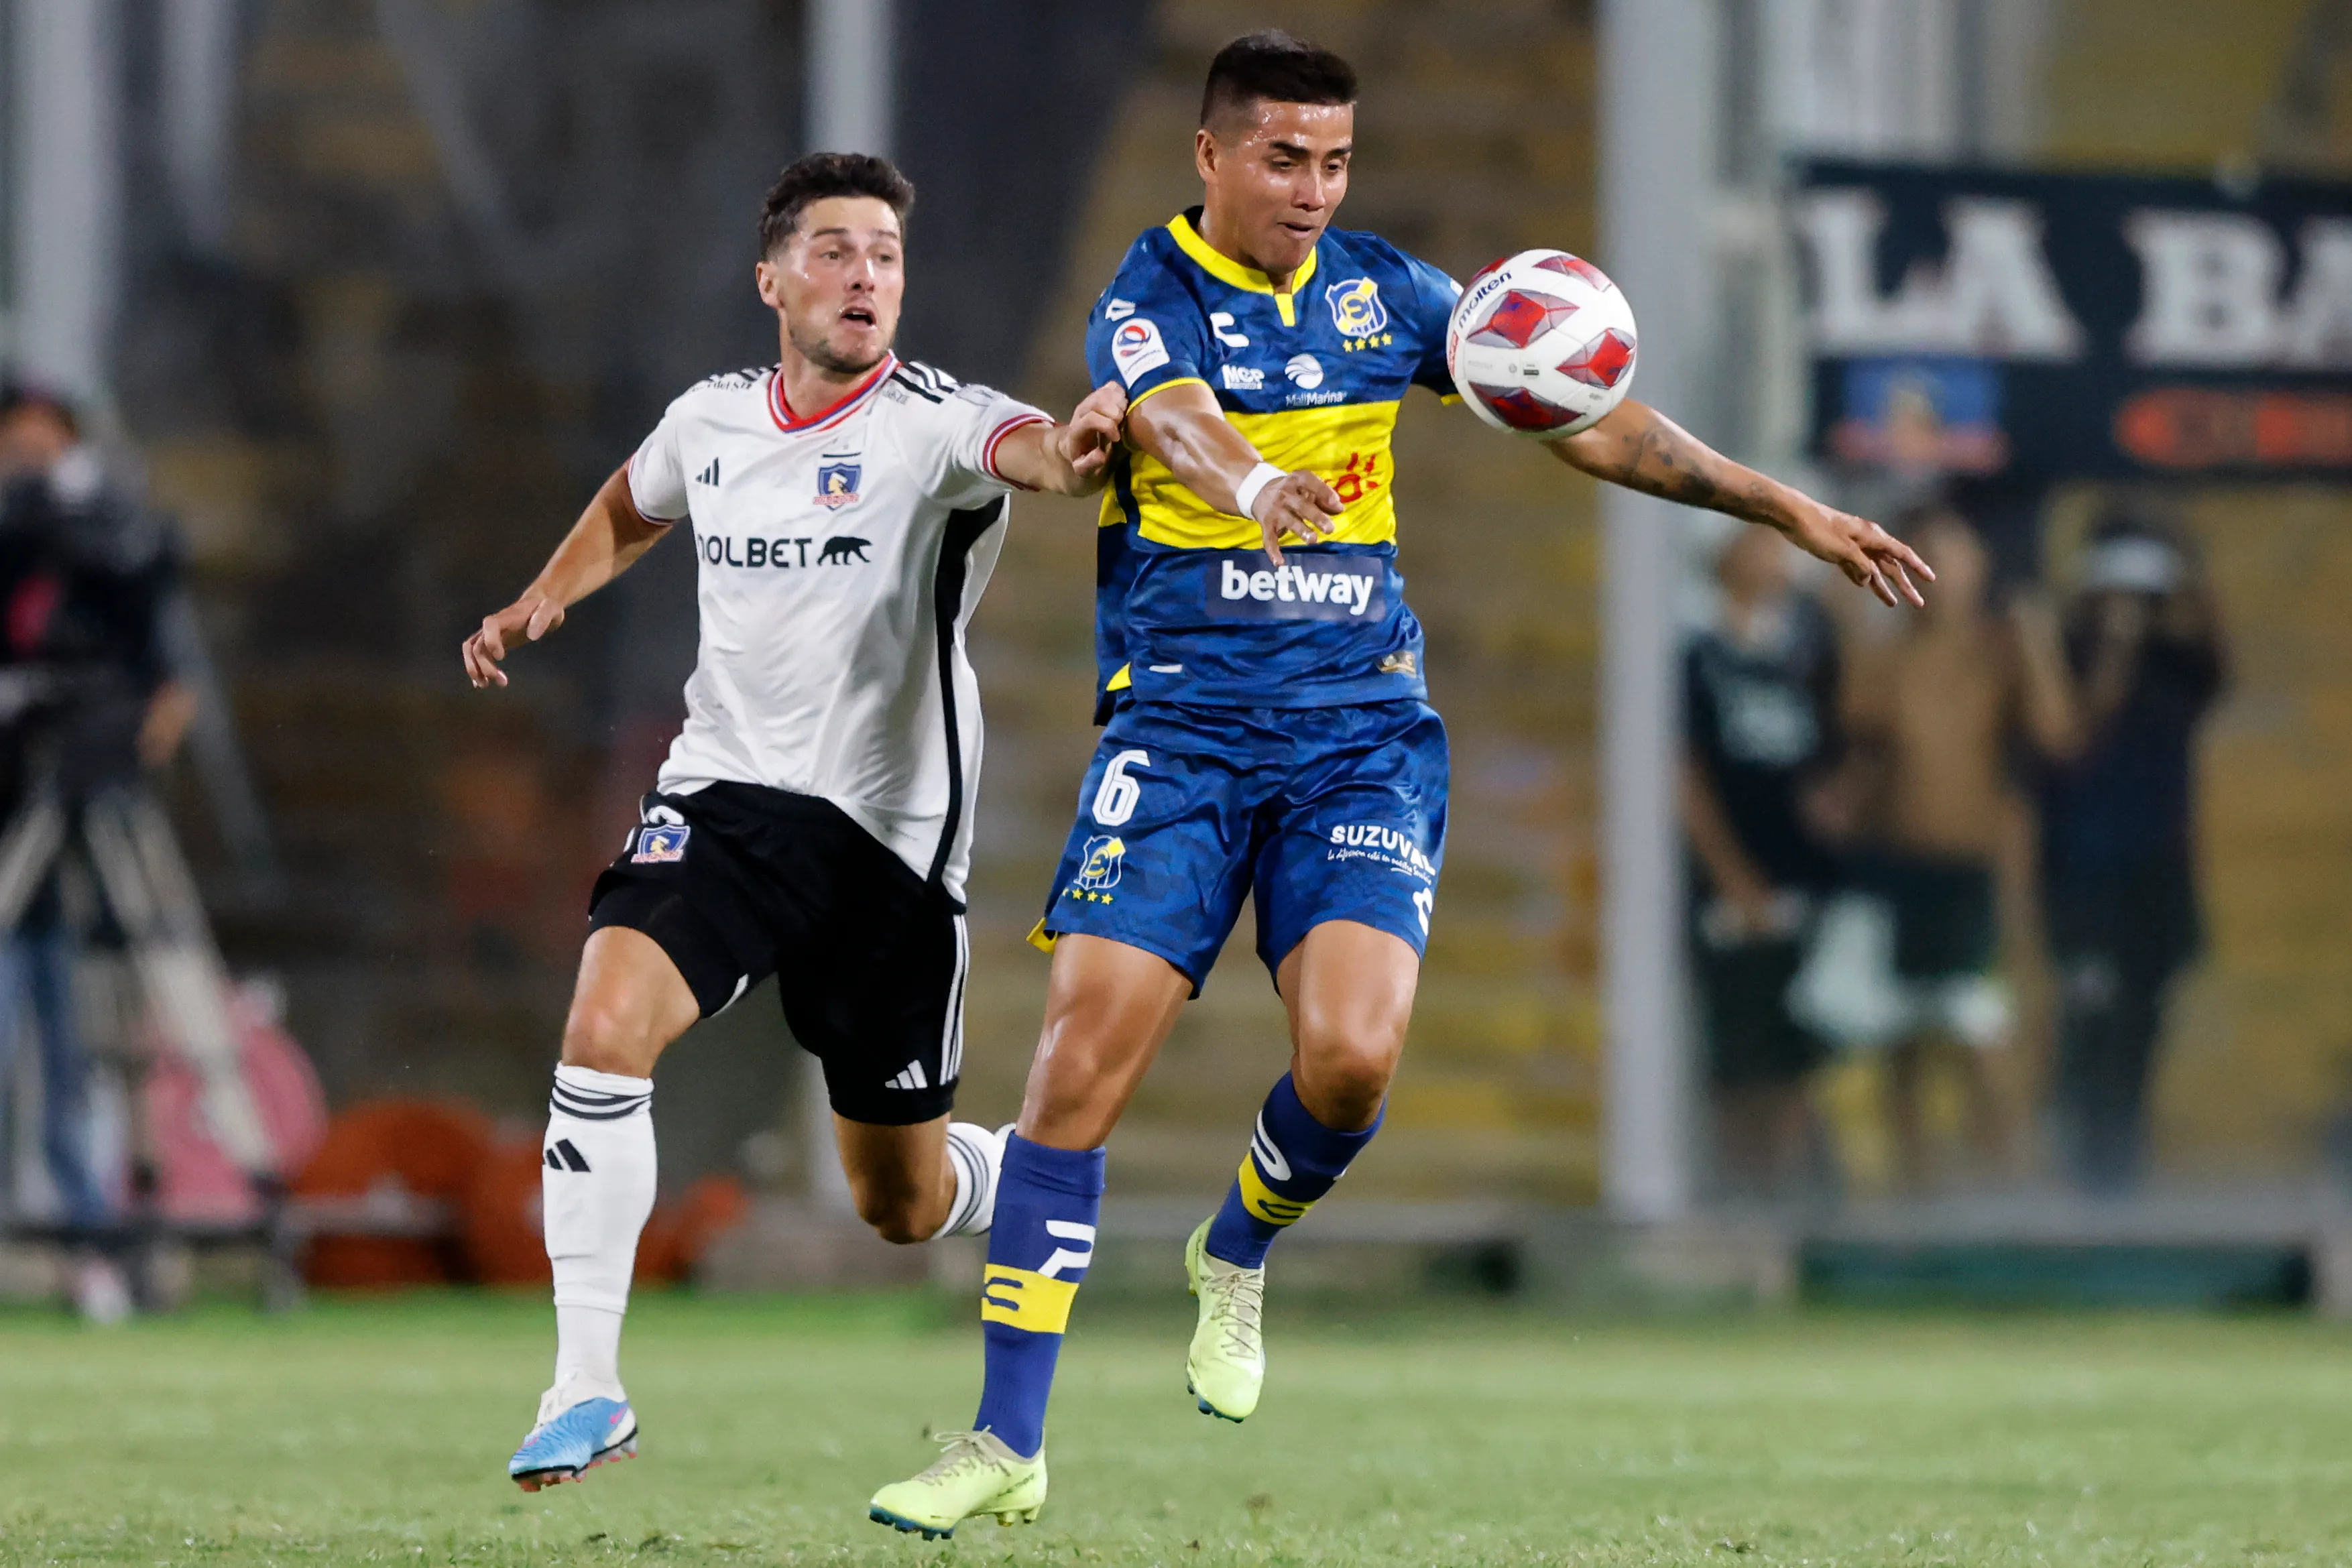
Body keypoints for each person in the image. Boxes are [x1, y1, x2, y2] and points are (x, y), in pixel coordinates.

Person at [867, 31, 1930, 1537]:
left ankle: (1234, 1249)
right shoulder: (1147, 293)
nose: (1312, 188)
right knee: (1070, 1073)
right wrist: (1250, 488)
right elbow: (1170, 417)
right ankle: (1004, 1436)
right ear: (1211, 157)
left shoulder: (1386, 294)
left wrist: (1788, 503)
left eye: (1334, 160)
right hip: (1177, 733)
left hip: (1358, 730)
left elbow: (1584, 414)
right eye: (1284, 158)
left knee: (1353, 1063)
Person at [461, 152, 1128, 1492]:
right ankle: (585, 1385)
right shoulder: (712, 418)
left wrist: (1083, 440)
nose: (864, 274)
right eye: (833, 250)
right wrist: (546, 597)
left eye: (883, 253)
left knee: (900, 1203)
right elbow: (628, 504)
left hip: (889, 848)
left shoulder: (937, 418)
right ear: (772, 280)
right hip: (724, 800)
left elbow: (1035, 452)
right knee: (603, 1022)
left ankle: (1018, 1171)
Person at [0, 384, 196, 1322]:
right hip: (11, 837)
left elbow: (148, 593)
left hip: (79, 864)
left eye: (48, 448)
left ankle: (99, 1245)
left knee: (81, 1060)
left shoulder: (106, 534)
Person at [1840, 507, 2076, 1191]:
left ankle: (2006, 1199)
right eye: (1925, 561)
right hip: (1899, 872)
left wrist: (2034, 640)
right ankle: (1915, 1204)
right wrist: (1852, 622)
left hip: (1972, 873)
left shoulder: (2000, 655)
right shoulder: (1888, 657)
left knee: (1985, 1048)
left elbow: (2056, 738)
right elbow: (1858, 731)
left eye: (1954, 562)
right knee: (1904, 1051)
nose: (1940, 581)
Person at [2038, 516, 2225, 1194]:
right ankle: (2083, 1166)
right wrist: (2111, 647)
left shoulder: (2175, 664)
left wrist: (2182, 573)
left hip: (2157, 874)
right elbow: (2072, 742)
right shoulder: (2066, 653)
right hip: (2085, 875)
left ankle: (2124, 1168)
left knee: (2143, 1025)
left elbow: (2216, 664)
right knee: (2090, 1020)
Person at [1682, 526, 1842, 1198]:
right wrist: (1730, 875)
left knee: (1794, 1056)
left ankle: (1789, 1196)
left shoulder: (1807, 654)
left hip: (1804, 881)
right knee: (1741, 1057)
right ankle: (1742, 1194)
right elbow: (1684, 774)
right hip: (1735, 892)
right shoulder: (1697, 656)